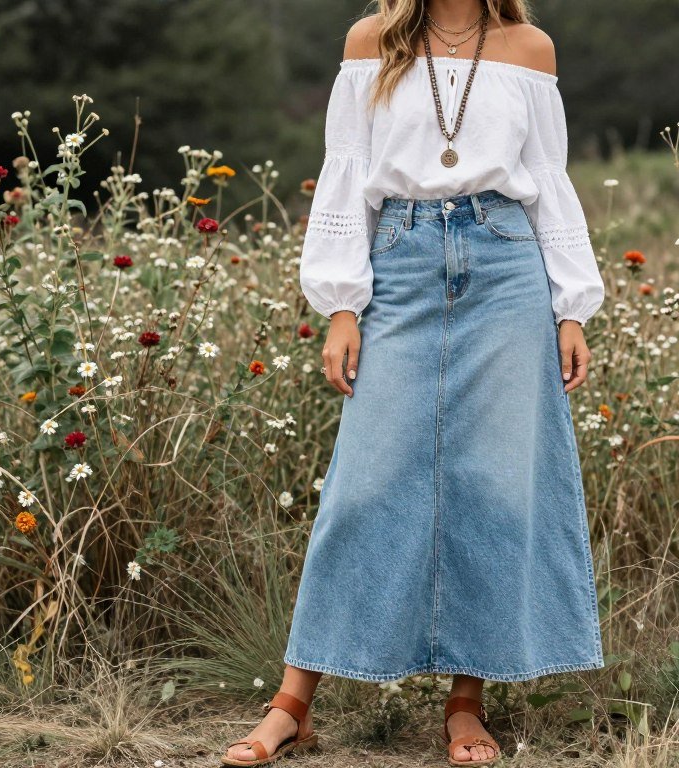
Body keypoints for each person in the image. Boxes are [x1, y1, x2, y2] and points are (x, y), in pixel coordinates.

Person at [221, 1, 605, 765]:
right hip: (400, 256)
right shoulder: (373, 40)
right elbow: (347, 173)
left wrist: (572, 307)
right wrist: (341, 305)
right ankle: (292, 702)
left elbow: (549, 179)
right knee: (363, 485)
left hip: (506, 264)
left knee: (494, 488)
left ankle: (467, 704)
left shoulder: (530, 48)